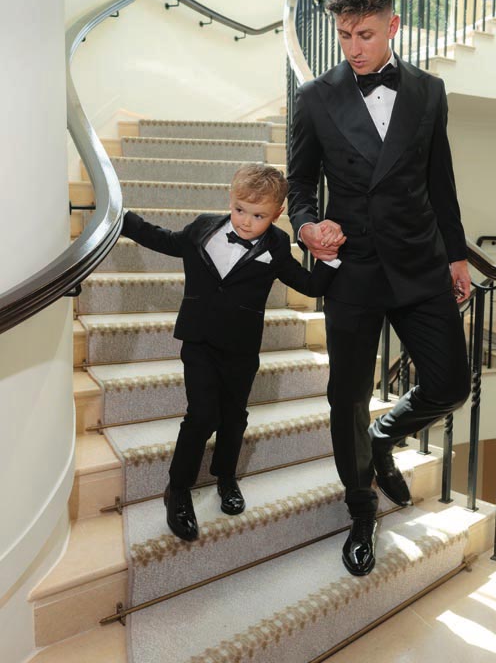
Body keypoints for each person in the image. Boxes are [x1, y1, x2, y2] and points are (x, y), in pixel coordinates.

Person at [287, 0, 471, 577]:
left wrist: (456, 253)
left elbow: (439, 179)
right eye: (344, 35)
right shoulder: (315, 98)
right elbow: (299, 188)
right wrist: (308, 226)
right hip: (354, 269)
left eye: (365, 34)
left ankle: (386, 437)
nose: (354, 48)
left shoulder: (429, 91)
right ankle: (361, 508)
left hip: (420, 261)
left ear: (392, 24)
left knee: (451, 383)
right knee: (346, 396)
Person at [121, 163, 341, 542]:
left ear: (275, 216)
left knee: (234, 416)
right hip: (199, 340)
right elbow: (165, 240)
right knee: (202, 413)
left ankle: (226, 477)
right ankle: (177, 489)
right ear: (230, 199)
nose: (245, 221)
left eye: (258, 216)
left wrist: (331, 258)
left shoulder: (275, 244)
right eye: (240, 209)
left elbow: (307, 284)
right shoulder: (204, 226)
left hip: (241, 347)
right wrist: (123, 220)